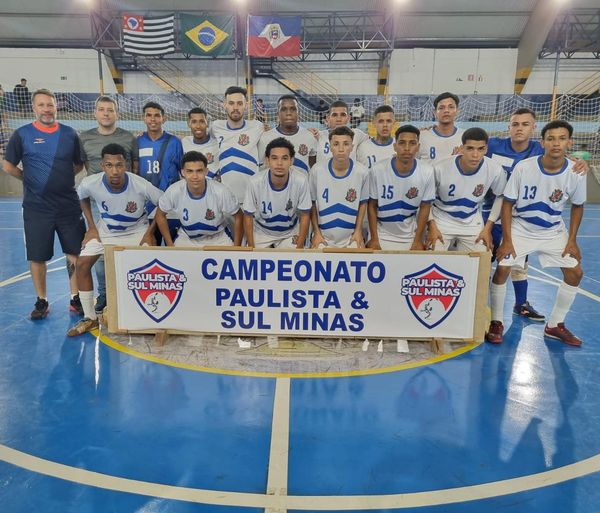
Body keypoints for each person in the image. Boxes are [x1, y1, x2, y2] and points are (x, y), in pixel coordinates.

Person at [484, 107, 589, 322]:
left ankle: (521, 303)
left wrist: (578, 162)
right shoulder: (493, 145)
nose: (519, 128)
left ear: (533, 128)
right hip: (489, 212)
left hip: (520, 217)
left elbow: (556, 151)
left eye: (525, 124)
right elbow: (471, 148)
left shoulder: (536, 149)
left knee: (517, 264)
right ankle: (481, 309)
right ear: (508, 127)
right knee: (488, 265)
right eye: (515, 124)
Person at [3, 88, 86, 319]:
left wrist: (62, 178)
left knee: (74, 253)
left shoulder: (70, 134)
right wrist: (27, 178)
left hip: (68, 205)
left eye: (50, 105)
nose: (46, 109)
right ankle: (42, 300)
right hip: (37, 207)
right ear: (34, 108)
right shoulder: (22, 134)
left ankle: (75, 297)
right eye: (42, 105)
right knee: (37, 256)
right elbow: (8, 166)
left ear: (56, 107)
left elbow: (79, 165)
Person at [67, 143, 162, 336]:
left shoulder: (140, 184)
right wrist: (92, 227)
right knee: (82, 264)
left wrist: (149, 232)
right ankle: (91, 318)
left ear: (125, 165)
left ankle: (148, 314)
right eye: (109, 165)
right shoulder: (90, 182)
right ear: (102, 165)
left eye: (119, 165)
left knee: (149, 268)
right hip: (105, 231)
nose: (115, 170)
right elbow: (81, 197)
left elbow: (164, 203)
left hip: (137, 231)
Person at [79, 95, 139, 314]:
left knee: (128, 250)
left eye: (110, 110)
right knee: (100, 253)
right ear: (95, 113)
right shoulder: (85, 138)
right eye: (102, 109)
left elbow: (134, 167)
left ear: (117, 114)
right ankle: (104, 295)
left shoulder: (128, 138)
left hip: (126, 201)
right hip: (98, 204)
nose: (106, 113)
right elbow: (84, 167)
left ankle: (127, 291)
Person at [426, 127, 506, 252]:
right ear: (462, 148)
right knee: (433, 255)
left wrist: (487, 228)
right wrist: (431, 226)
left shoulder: (495, 169)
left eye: (480, 149)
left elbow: (500, 196)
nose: (475, 155)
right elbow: (425, 199)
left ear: (486, 149)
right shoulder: (440, 167)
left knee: (482, 257)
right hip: (441, 219)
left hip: (471, 221)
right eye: (470, 148)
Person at [367, 125, 435, 250]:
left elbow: (425, 207)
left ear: (418, 147)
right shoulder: (377, 170)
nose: (407, 148)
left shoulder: (427, 171)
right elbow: (372, 205)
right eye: (402, 143)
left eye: (412, 143)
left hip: (410, 234)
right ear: (395, 146)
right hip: (382, 232)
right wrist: (374, 238)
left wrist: (418, 240)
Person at [155, 151, 242, 247]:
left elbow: (239, 216)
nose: (195, 176)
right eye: (190, 171)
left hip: (218, 238)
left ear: (206, 171)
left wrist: (237, 247)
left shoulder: (221, 191)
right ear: (182, 172)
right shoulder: (174, 191)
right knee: (175, 260)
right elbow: (160, 215)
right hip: (187, 238)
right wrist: (169, 244)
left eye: (199, 171)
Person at [244, 137, 311, 249]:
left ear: (291, 161)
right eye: (274, 158)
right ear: (267, 161)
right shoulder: (254, 182)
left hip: (289, 233)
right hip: (261, 231)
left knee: (293, 261)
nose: (279, 163)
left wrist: (299, 248)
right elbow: (247, 216)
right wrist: (251, 247)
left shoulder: (301, 180)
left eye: (284, 158)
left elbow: (305, 215)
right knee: (254, 262)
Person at [310, 126, 370, 248]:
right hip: (323, 237)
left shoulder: (362, 172)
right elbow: (311, 203)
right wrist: (316, 232)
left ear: (352, 147)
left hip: (351, 237)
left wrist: (358, 231)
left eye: (346, 144)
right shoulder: (317, 170)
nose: (341, 149)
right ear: (330, 147)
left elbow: (363, 203)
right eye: (336, 144)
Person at [137, 101, 183, 244]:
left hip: (170, 207)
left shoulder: (175, 142)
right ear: (143, 118)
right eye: (149, 115)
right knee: (152, 248)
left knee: (174, 248)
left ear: (164, 118)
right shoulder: (137, 142)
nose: (153, 119)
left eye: (157, 116)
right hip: (147, 206)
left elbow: (182, 171)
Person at [211, 86, 264, 205]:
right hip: (225, 199)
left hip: (252, 198)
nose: (235, 108)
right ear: (224, 105)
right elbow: (201, 139)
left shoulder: (257, 127)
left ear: (246, 105)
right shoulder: (215, 126)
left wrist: (314, 133)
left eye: (240, 103)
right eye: (231, 103)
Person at [257, 95, 317, 173]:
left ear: (299, 113)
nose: (288, 113)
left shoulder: (309, 136)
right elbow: (261, 168)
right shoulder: (265, 138)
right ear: (277, 113)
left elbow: (313, 167)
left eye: (293, 109)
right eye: (284, 109)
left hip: (302, 185)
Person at [316, 100, 369, 166]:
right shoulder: (318, 136)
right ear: (328, 118)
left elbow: (374, 141)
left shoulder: (357, 134)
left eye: (343, 115)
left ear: (348, 118)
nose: (339, 119)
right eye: (334, 115)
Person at [418, 92, 464, 163]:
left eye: (451, 107)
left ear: (457, 111)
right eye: (441, 108)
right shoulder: (421, 136)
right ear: (435, 113)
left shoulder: (465, 137)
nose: (446, 111)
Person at [181, 107, 220, 179]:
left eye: (202, 121)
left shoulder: (218, 144)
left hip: (213, 187)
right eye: (194, 122)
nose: (198, 126)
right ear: (188, 124)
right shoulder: (184, 143)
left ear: (207, 123)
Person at [357, 104, 396, 170]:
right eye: (381, 121)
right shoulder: (363, 148)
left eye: (389, 121)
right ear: (374, 123)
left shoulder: (400, 147)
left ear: (394, 123)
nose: (385, 125)